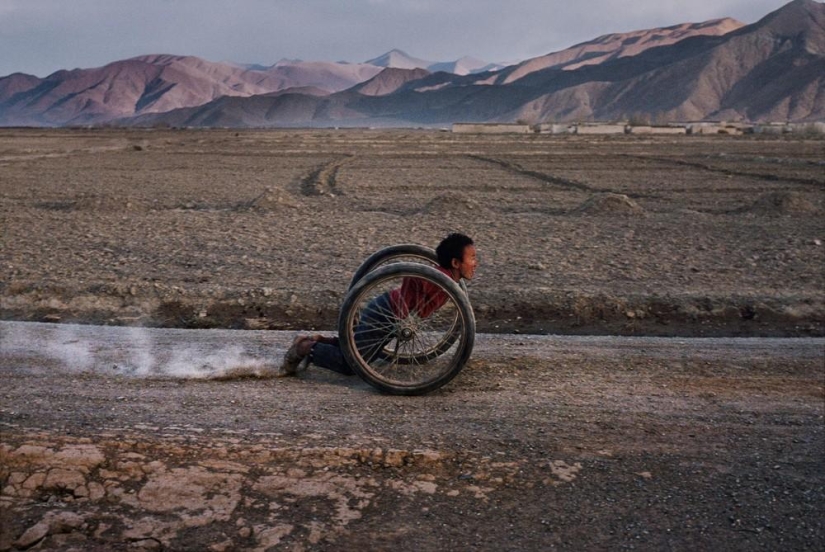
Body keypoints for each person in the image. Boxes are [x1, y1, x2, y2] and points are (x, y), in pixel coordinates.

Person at [279, 233, 477, 376]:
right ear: (455, 263)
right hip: (385, 312)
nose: (475, 263)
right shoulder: (438, 278)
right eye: (472, 258)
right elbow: (412, 276)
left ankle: (317, 340)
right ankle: (304, 347)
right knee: (351, 365)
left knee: (361, 351)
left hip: (389, 313)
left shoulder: (446, 281)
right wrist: (406, 310)